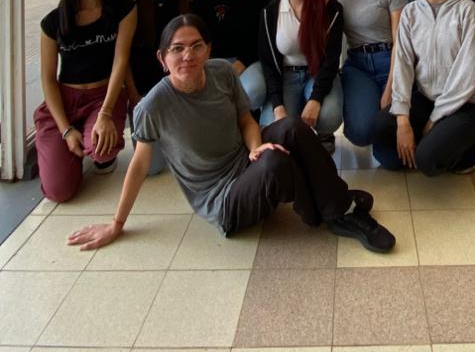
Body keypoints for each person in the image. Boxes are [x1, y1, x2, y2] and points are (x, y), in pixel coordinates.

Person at [66, 15, 395, 253]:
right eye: (177, 49)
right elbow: (139, 165)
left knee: (292, 127)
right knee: (275, 165)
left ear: (208, 49)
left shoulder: (222, 73)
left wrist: (255, 147)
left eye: (196, 46)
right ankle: (329, 210)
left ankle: (336, 205)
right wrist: (116, 223)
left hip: (244, 161)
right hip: (223, 199)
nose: (188, 56)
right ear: (162, 58)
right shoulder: (154, 106)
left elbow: (245, 120)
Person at [372, 0, 475, 175]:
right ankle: (431, 141)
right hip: (427, 98)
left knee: (427, 161)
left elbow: (469, 72)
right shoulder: (411, 12)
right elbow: (403, 65)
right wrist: (402, 119)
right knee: (379, 128)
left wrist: (434, 119)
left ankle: (470, 144)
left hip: (466, 104)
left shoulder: (467, 10)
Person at [34, 0, 136, 203]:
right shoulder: (53, 21)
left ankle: (95, 150)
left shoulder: (123, 8)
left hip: (103, 96)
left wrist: (105, 113)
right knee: (59, 192)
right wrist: (66, 130)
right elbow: (48, 79)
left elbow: (121, 61)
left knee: (102, 151)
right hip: (66, 99)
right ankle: (65, 147)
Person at [259, 0, 344, 146]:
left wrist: (316, 99)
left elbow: (332, 59)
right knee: (275, 130)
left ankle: (324, 133)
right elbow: (268, 63)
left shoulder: (330, 8)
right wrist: (278, 105)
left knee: (328, 116)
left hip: (318, 73)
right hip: (287, 75)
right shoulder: (271, 11)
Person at [127, 0, 196, 174]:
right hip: (144, 87)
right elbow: (124, 55)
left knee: (189, 155)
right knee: (152, 168)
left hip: (178, 83)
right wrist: (133, 95)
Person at [332, 0, 406, 146]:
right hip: (357, 64)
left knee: (390, 127)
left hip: (388, 59)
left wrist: (390, 87)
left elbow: (401, 42)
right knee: (360, 133)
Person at [193, 0, 273, 112]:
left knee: (253, 92)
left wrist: (242, 62)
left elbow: (266, 37)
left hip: (250, 61)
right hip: (212, 62)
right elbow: (195, 34)